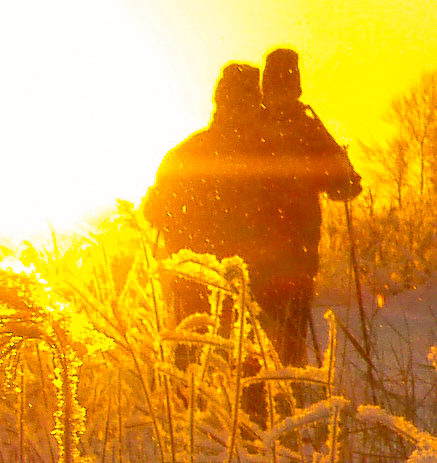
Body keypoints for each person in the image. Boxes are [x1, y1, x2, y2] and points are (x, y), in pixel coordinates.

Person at [250, 47, 363, 365]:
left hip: (289, 255)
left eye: (284, 87)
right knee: (272, 334)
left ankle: (281, 395)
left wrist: (343, 181)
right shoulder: (307, 129)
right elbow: (346, 185)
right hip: (272, 254)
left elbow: (346, 184)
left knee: (284, 333)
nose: (281, 95)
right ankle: (277, 395)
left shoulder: (264, 128)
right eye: (276, 87)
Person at [144, 61, 265, 327]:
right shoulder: (270, 157)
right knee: (254, 364)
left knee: (193, 357)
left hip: (197, 285)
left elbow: (154, 212)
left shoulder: (186, 153)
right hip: (250, 289)